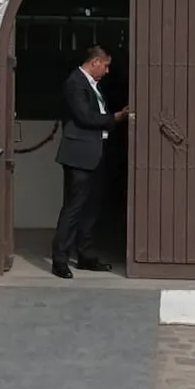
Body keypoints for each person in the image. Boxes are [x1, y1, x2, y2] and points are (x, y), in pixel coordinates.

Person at [51, 46, 128, 279]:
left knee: (91, 208)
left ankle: (85, 255)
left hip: (95, 153)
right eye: (105, 66)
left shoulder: (93, 85)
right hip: (79, 156)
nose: (106, 71)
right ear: (95, 62)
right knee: (74, 208)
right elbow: (84, 117)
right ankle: (60, 259)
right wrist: (115, 118)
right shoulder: (75, 83)